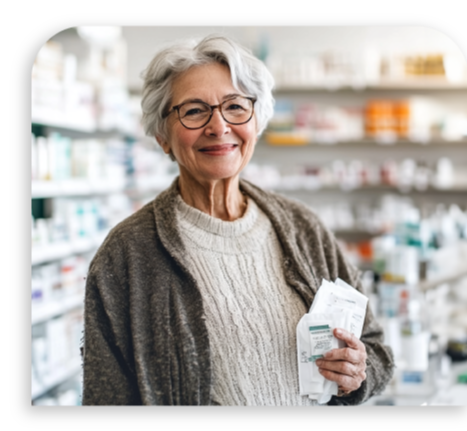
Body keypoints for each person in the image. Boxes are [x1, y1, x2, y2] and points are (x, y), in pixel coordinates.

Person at [82, 35, 394, 406]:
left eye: (235, 106)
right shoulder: (126, 257)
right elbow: (106, 396)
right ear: (162, 136)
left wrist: (356, 373)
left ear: (256, 121)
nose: (219, 126)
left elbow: (374, 349)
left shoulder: (303, 228)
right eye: (195, 111)